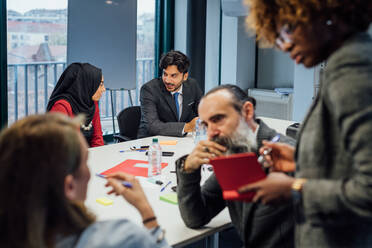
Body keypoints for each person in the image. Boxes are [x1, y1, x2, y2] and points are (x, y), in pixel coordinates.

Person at [238, 0, 372, 247]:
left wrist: (296, 189)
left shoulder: (352, 70)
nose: (285, 45)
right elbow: (348, 163)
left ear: (323, 12)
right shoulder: (348, 64)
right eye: (278, 36)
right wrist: (302, 161)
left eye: (289, 28)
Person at [0, 113, 169, 248]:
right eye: (85, 162)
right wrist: (148, 215)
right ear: (70, 186)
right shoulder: (121, 238)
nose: (90, 172)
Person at [176, 85, 296, 247]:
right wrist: (189, 168)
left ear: (247, 111)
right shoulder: (236, 152)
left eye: (217, 119)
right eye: (205, 125)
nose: (211, 133)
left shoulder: (290, 154)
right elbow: (196, 217)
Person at [138, 50, 203, 138]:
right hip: (152, 143)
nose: (167, 80)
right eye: (165, 74)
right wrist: (187, 127)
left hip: (180, 140)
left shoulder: (192, 85)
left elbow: (203, 112)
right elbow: (152, 126)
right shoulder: (149, 89)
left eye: (173, 76)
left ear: (185, 76)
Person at [47, 63, 105, 147]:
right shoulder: (61, 107)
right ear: (86, 84)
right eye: (101, 84)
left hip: (86, 154)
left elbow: (97, 137)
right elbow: (61, 146)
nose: (104, 89)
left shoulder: (91, 102)